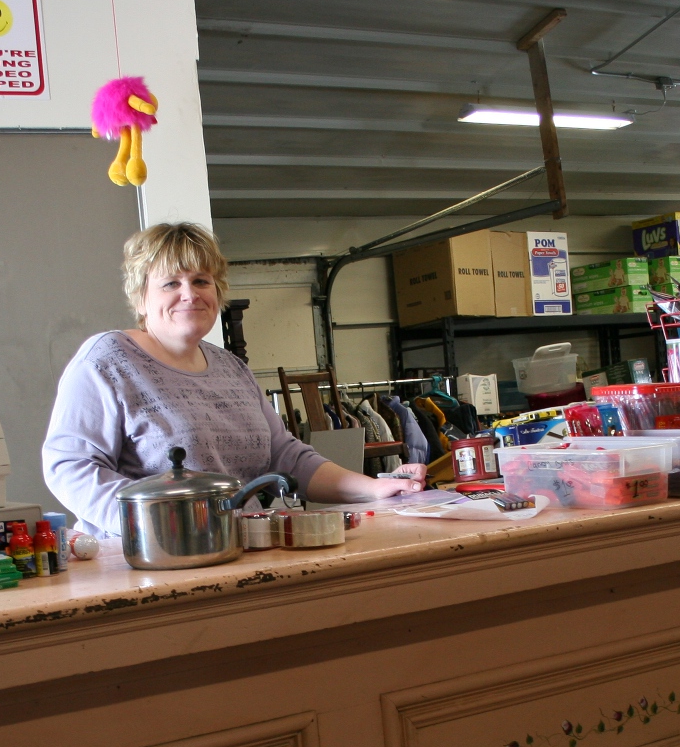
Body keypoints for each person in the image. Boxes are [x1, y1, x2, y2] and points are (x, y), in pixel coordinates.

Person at [44, 222, 424, 540]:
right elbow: (71, 467)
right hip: (148, 561)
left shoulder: (231, 367)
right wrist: (165, 527)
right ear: (141, 297)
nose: (189, 294)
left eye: (201, 281)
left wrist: (374, 488)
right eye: (171, 283)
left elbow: (285, 456)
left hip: (241, 547)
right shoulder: (109, 360)